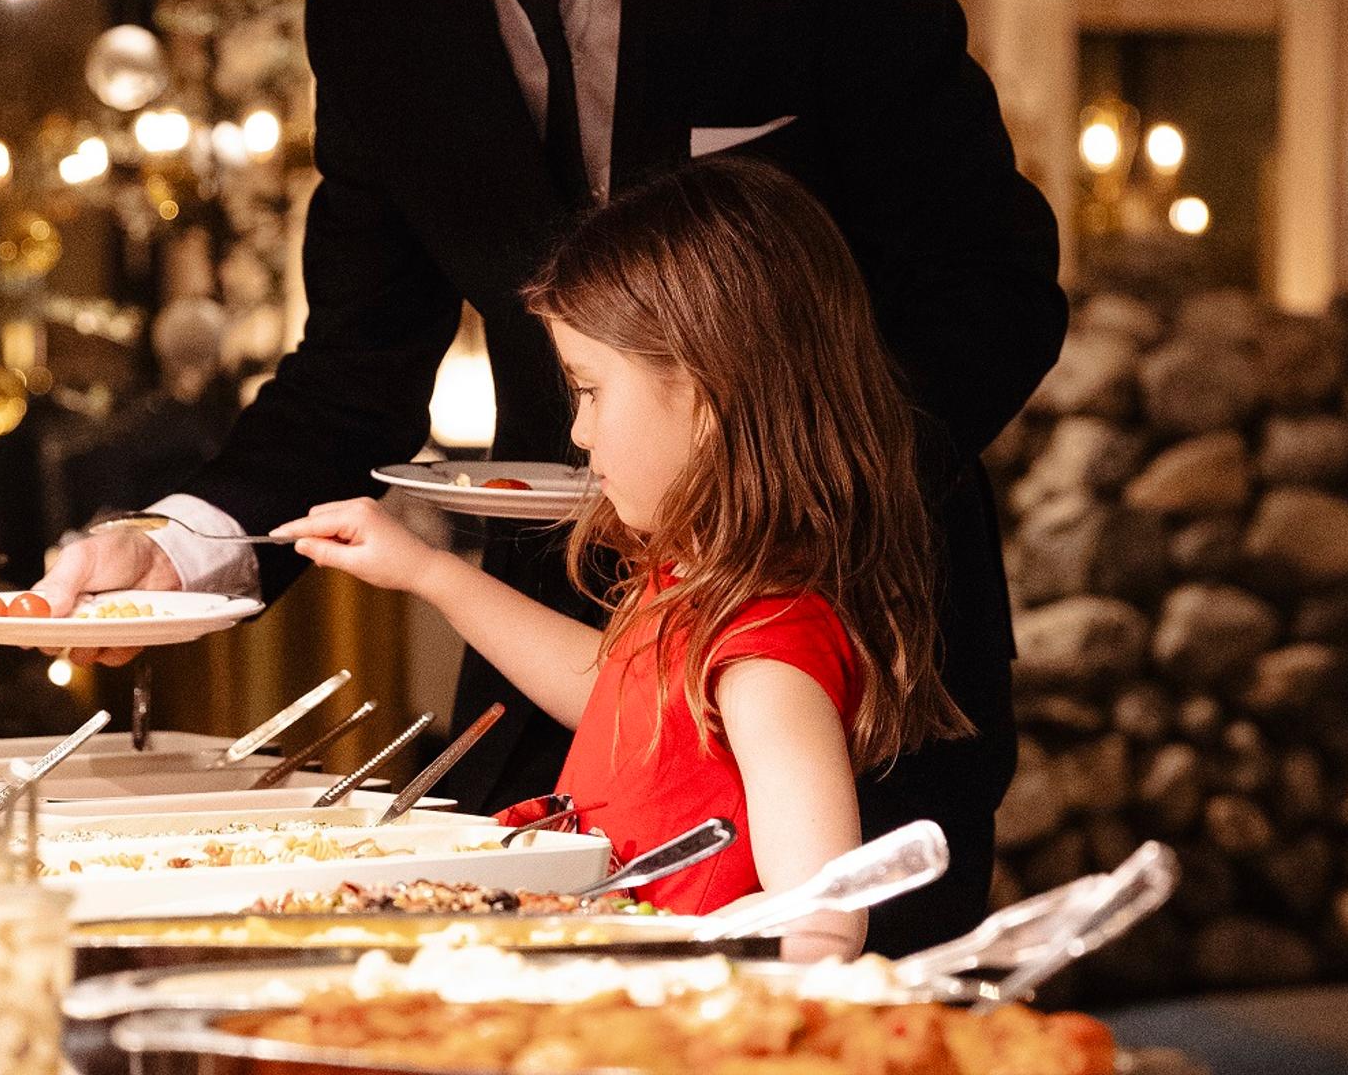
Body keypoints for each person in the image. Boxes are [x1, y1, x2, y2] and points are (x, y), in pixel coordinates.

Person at [32, 0, 1068, 955]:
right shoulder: (369, 14)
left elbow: (996, 289)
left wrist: (782, 484)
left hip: (856, 627)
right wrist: (179, 547)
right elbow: (355, 365)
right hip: (567, 640)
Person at [275, 158, 970, 960]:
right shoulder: (693, 585)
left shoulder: (766, 652)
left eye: (592, 391)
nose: (577, 431)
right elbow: (615, 697)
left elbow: (822, 919)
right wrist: (429, 572)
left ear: (707, 396)